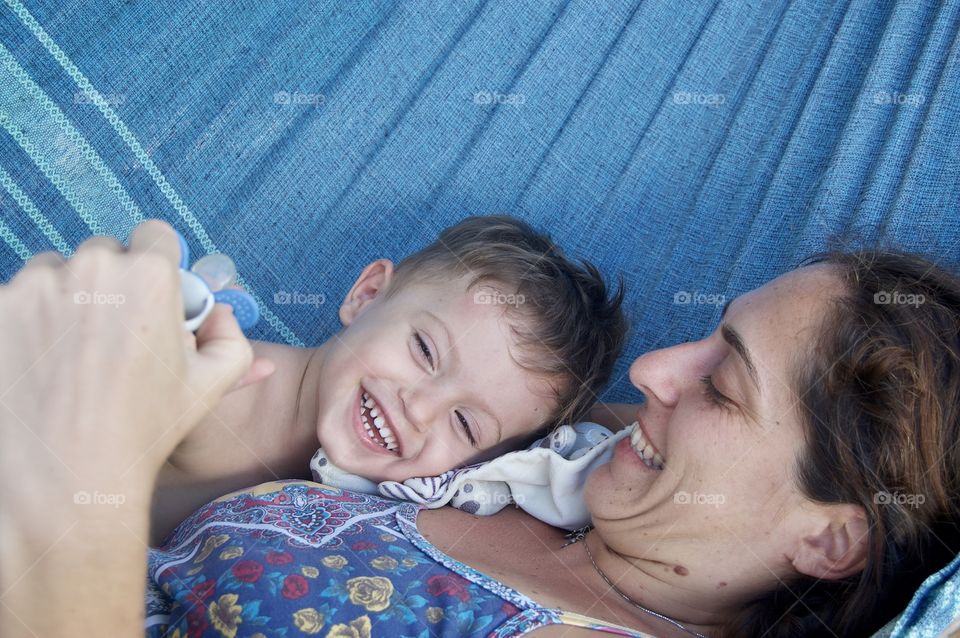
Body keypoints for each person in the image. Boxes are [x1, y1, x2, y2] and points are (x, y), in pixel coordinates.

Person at [3, 223, 959, 637]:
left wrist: (65, 498)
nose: (656, 371)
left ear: (832, 538)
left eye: (724, 386)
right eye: (709, 337)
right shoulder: (571, 473)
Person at [152, 215, 627, 541]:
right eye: (424, 351)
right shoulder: (206, 374)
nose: (420, 409)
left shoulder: (361, 517)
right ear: (368, 294)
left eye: (465, 424)